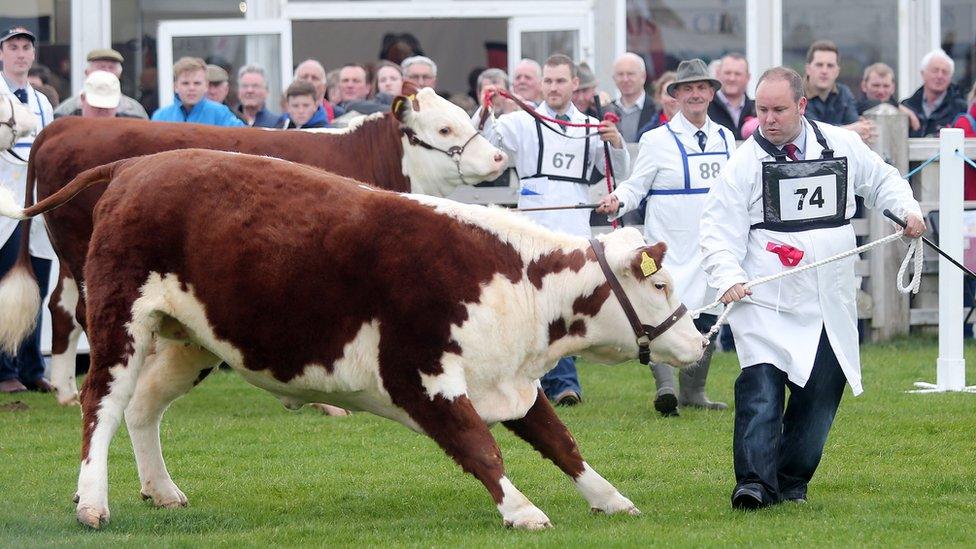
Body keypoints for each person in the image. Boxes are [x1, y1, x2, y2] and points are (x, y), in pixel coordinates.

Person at [698, 66, 925, 510]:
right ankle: (754, 484)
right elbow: (716, 231)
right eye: (761, 110)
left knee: (821, 393)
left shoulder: (841, 145)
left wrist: (906, 209)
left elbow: (882, 181)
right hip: (764, 297)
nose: (769, 119)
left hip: (828, 296)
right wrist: (728, 277)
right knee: (760, 387)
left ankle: (791, 479)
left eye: (779, 109)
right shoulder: (744, 163)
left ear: (802, 105)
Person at [480, 54, 630, 406]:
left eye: (560, 81)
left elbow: (618, 172)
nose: (553, 88)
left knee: (564, 305)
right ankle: (532, 382)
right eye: (547, 81)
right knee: (527, 306)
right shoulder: (520, 121)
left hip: (572, 228)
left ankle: (562, 383)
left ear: (574, 84)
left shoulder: (591, 126)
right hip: (531, 226)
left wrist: (616, 141)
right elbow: (489, 143)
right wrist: (487, 108)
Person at [597, 58, 734, 416]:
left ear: (711, 93)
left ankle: (695, 392)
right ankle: (666, 388)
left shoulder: (725, 138)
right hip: (669, 245)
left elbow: (738, 189)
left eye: (702, 88)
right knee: (663, 314)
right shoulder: (657, 140)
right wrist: (618, 200)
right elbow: (636, 186)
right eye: (687, 88)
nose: (695, 94)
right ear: (675, 96)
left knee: (709, 315)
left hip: (712, 244)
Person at [0, 27, 56, 394]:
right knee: (6, 283)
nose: (21, 54)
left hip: (34, 201)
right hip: (3, 202)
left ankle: (32, 366)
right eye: (13, 47)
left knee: (36, 280)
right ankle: (5, 370)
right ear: (2, 54)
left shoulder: (42, 102)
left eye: (26, 48)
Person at [54, 48, 148, 120]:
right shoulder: (66, 111)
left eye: (111, 67)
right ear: (87, 72)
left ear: (120, 74)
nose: (106, 71)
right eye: (101, 67)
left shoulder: (135, 112)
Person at [151, 57, 244, 126]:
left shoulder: (220, 113)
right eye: (185, 83)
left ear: (206, 86)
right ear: (175, 87)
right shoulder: (160, 117)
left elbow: (242, 138)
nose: (191, 88)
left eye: (197, 83)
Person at [901, 49, 969, 138]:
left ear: (950, 77)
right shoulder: (906, 107)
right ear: (923, 73)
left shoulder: (962, 109)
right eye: (935, 70)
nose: (939, 76)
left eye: (945, 72)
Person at [611, 52, 657, 143]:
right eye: (620, 74)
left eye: (630, 74)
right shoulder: (607, 110)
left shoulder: (657, 110)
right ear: (614, 78)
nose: (625, 79)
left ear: (643, 76)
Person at [709, 53, 756, 140]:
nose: (732, 78)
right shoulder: (705, 109)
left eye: (738, 74)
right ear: (717, 74)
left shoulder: (759, 110)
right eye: (727, 73)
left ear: (748, 77)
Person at [635, 71, 677, 138]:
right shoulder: (647, 132)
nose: (673, 99)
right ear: (659, 97)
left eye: (676, 94)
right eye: (668, 94)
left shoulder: (695, 127)